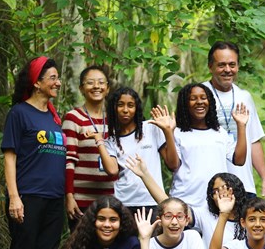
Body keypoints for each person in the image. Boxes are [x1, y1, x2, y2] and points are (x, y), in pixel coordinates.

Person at [2, 56, 66, 249]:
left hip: (54, 197)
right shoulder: (19, 113)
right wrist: (14, 196)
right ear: (37, 82)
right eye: (52, 78)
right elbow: (9, 157)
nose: (58, 83)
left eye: (58, 78)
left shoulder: (54, 117)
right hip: (27, 195)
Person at [202, 41, 265, 201]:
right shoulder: (199, 96)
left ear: (238, 66)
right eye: (221, 65)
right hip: (210, 185)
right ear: (210, 66)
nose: (227, 70)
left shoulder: (244, 96)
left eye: (232, 65)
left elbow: (253, 140)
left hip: (243, 183)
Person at [96, 88, 178, 216]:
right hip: (124, 203)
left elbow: (173, 164)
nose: (125, 110)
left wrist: (168, 132)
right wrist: (99, 141)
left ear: (137, 108)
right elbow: (112, 171)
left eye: (130, 105)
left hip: (153, 200)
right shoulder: (111, 141)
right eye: (120, 105)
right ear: (113, 108)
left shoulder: (150, 128)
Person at [169, 83, 249, 213]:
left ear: (210, 102)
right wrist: (168, 132)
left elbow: (239, 160)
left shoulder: (220, 132)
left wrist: (241, 125)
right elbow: (173, 165)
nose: (199, 102)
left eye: (203, 98)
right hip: (185, 202)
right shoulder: (177, 133)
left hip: (216, 203)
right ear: (185, 103)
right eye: (193, 98)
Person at [62, 66, 115, 227]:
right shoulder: (73, 118)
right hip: (82, 199)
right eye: (90, 83)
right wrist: (69, 197)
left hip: (111, 198)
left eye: (101, 82)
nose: (96, 86)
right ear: (81, 89)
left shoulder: (114, 119)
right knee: (81, 248)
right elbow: (68, 160)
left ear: (107, 89)